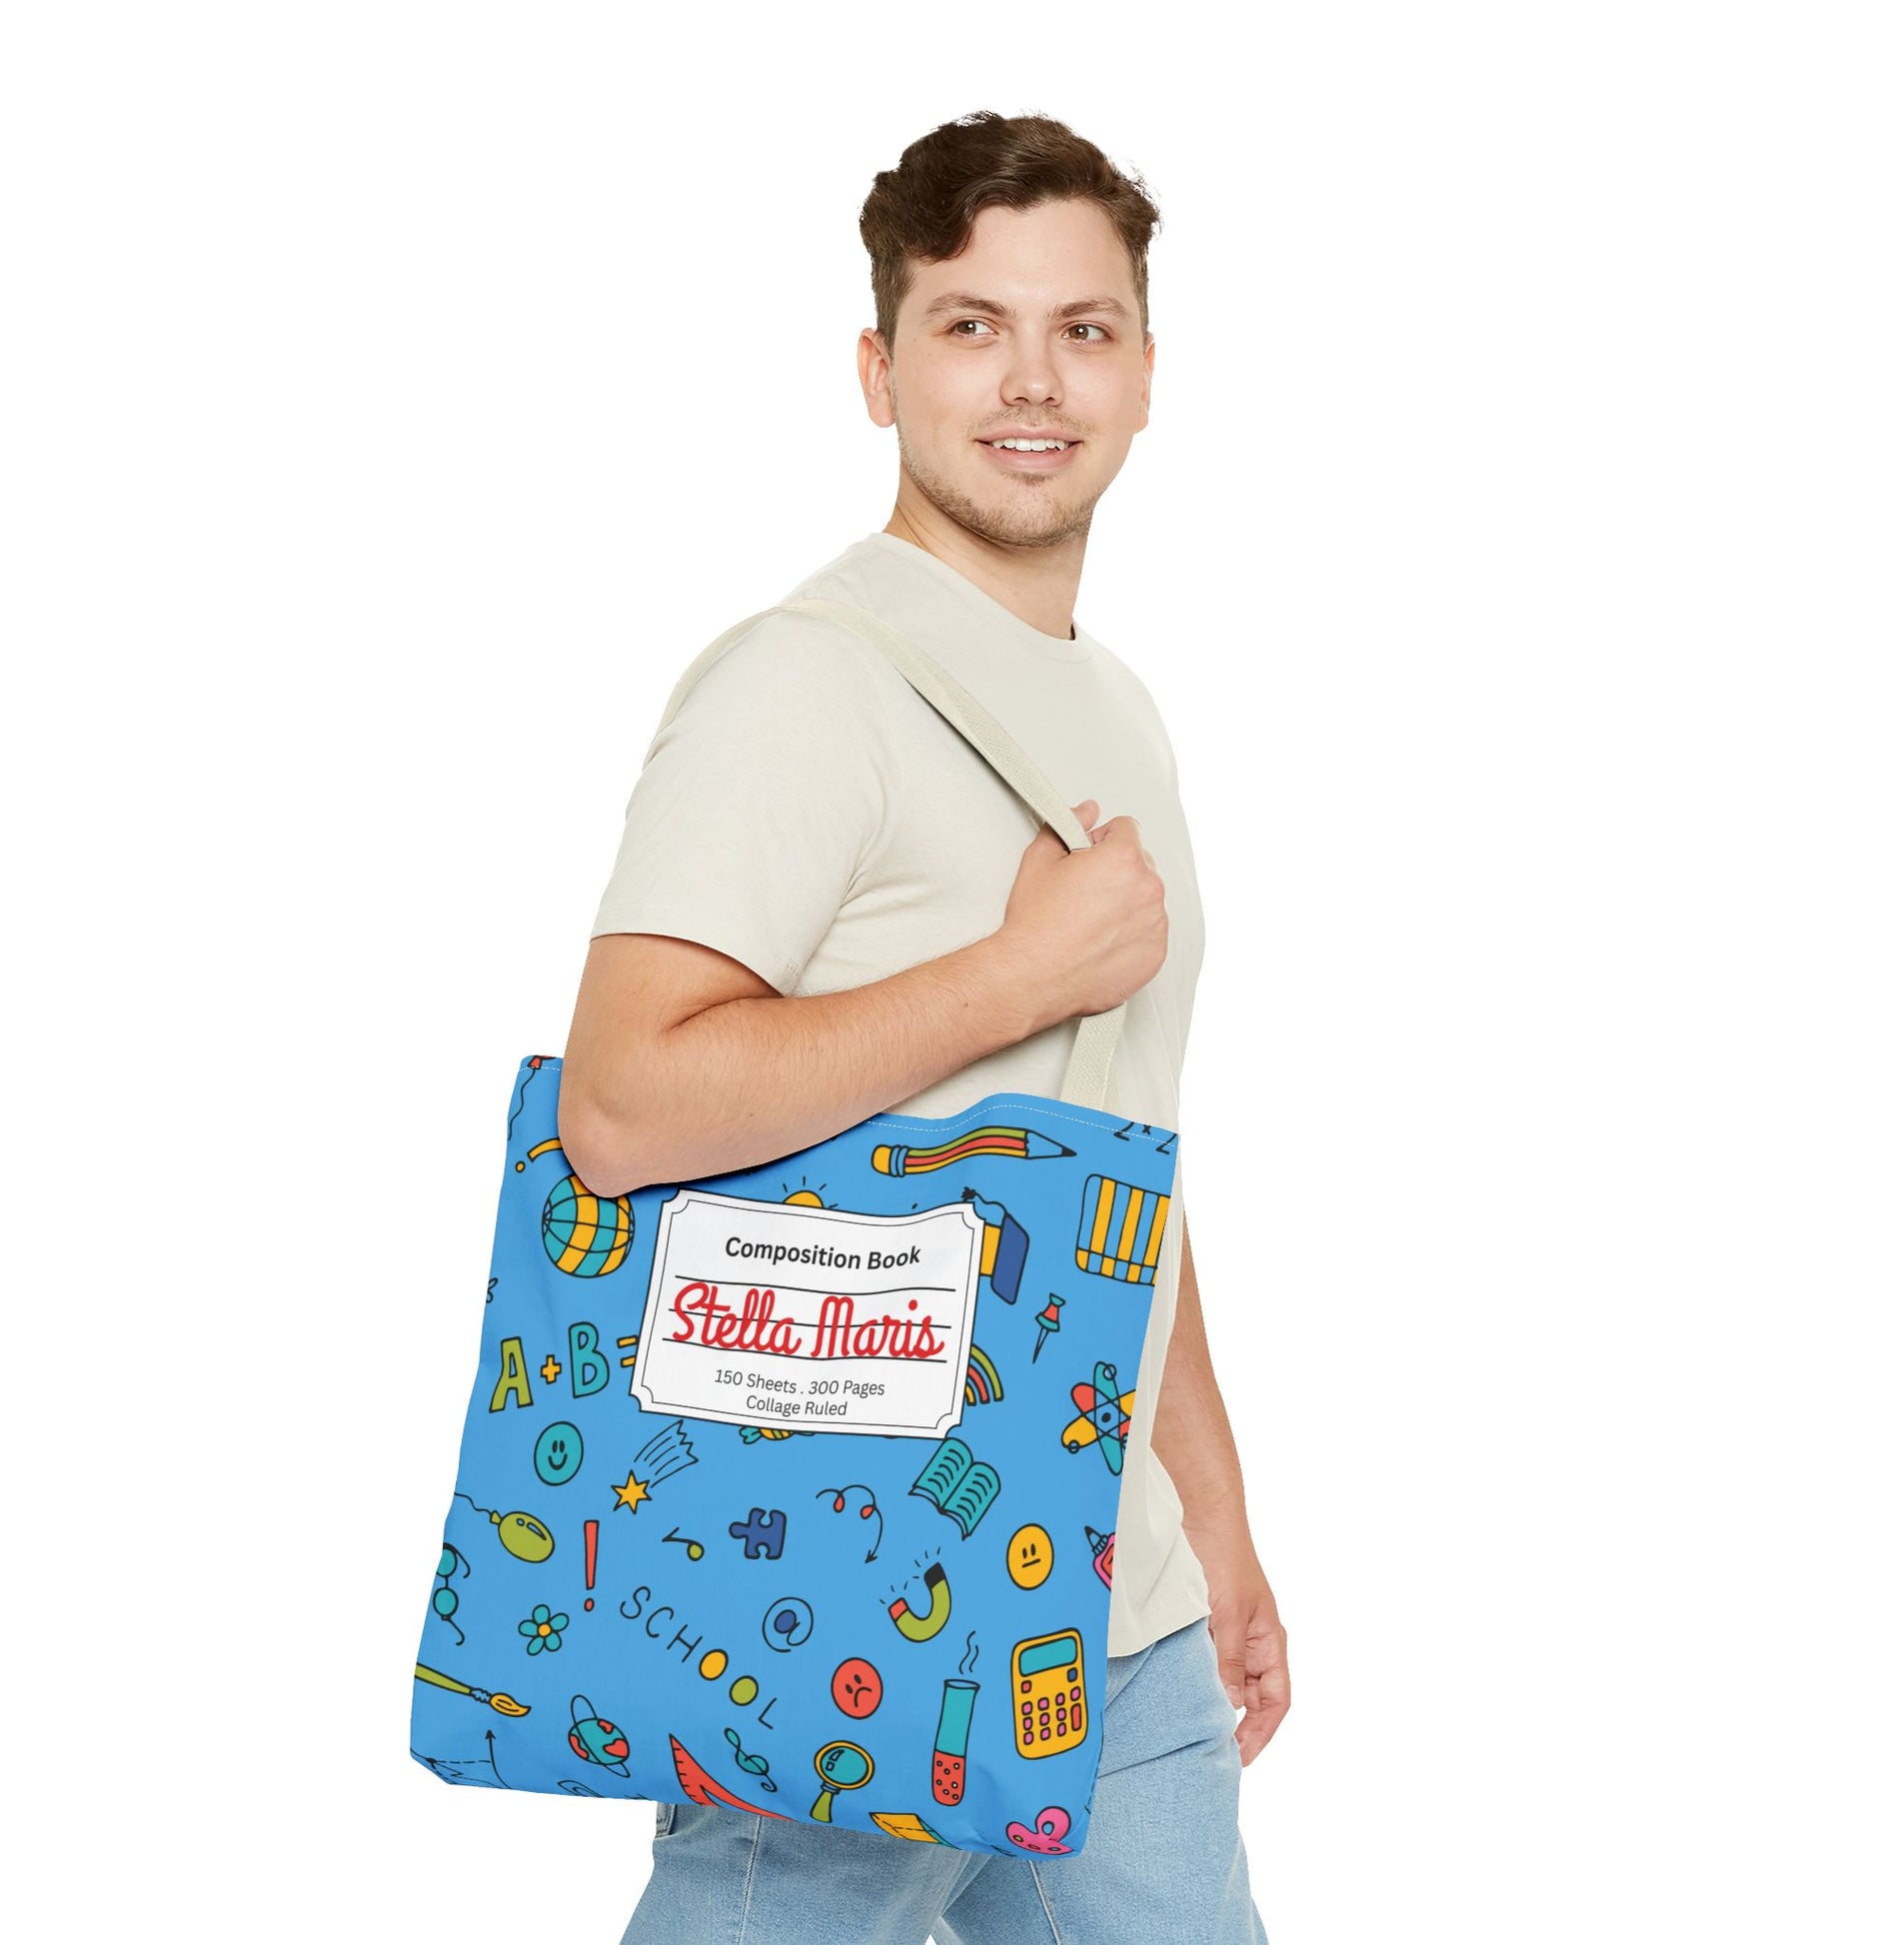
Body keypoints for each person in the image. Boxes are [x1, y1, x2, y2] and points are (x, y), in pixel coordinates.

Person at [560, 108, 1285, 1945]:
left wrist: (1209, 1518)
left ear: (1143, 373)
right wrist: (1013, 975)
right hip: (856, 1592)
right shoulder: (801, 684)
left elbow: (1119, 1145)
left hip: (1113, 1617)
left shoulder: (1113, 706)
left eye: (1081, 328)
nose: (1032, 380)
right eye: (971, 326)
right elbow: (622, 1105)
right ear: (880, 373)